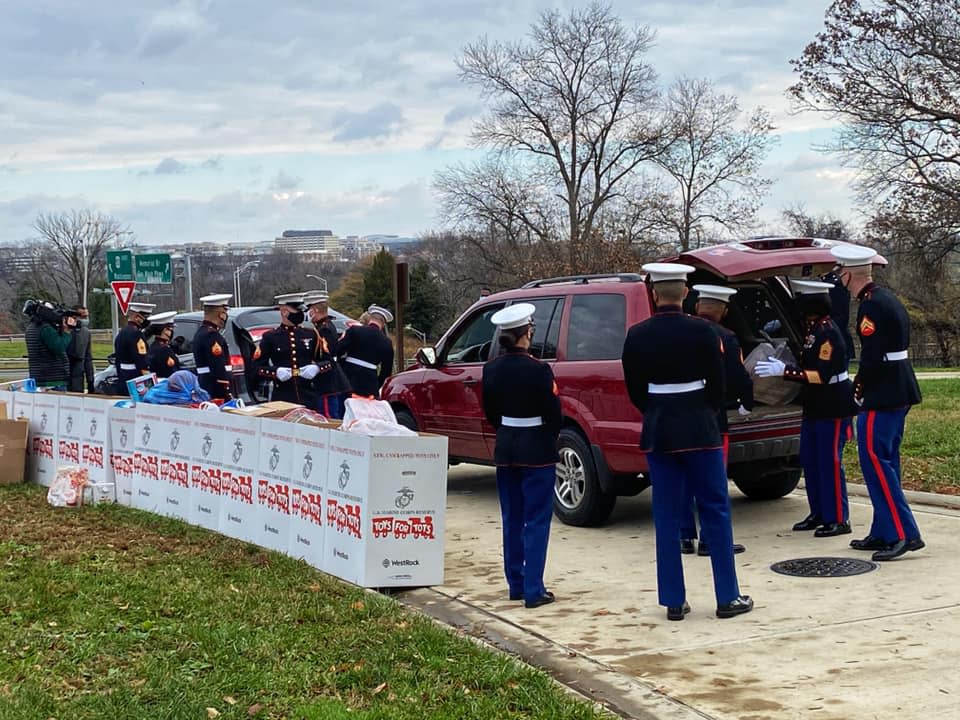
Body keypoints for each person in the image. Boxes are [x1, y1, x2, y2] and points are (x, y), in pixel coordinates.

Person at [621, 263, 752, 621]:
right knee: (715, 508)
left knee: (665, 514)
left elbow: (635, 389)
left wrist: (657, 409)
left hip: (660, 428)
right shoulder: (704, 332)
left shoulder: (637, 335)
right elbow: (717, 385)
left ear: (653, 293)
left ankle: (673, 601)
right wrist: (702, 413)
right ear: (685, 293)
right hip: (699, 427)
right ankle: (727, 596)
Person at [830, 244, 924, 561]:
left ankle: (903, 532)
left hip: (883, 392)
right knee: (886, 462)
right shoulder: (885, 299)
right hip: (898, 387)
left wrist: (858, 388)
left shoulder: (871, 307)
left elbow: (872, 357)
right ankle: (884, 529)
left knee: (876, 463)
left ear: (847, 274)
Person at [755, 280, 856, 537]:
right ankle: (819, 512)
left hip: (832, 403)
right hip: (815, 404)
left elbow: (821, 375)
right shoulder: (813, 331)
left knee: (829, 463)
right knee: (811, 460)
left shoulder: (829, 333)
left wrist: (786, 371)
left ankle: (838, 518)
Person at [481, 302, 560, 609]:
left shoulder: (491, 368)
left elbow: (491, 412)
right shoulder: (539, 370)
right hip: (536, 448)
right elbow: (553, 412)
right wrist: (547, 437)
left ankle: (515, 582)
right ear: (526, 334)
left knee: (512, 518)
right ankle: (534, 589)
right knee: (537, 520)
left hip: (507, 446)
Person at [679, 285, 752, 557]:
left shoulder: (681, 332)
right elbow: (738, 376)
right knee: (713, 481)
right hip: (712, 419)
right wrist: (747, 401)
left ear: (698, 307)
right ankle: (711, 539)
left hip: (680, 417)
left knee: (684, 478)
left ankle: (685, 536)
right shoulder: (727, 337)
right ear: (723, 311)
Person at [253, 293, 321, 407]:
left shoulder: (311, 334)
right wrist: (276, 372)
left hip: (309, 394)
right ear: (284, 311)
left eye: (301, 310)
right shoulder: (271, 337)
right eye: (296, 309)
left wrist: (317, 368)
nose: (300, 313)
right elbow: (255, 369)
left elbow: (328, 362)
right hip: (283, 396)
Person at [304, 291, 350, 418]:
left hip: (328, 382)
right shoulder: (325, 326)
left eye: (309, 309)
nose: (307, 313)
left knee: (328, 418)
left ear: (316, 310)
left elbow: (327, 356)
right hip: (331, 380)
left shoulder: (324, 329)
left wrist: (316, 366)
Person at [336, 304, 395, 399]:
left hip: (348, 377)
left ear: (370, 318)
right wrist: (376, 385)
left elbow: (338, 350)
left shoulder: (355, 330)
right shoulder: (387, 342)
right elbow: (386, 372)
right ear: (383, 323)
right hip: (370, 383)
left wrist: (341, 367)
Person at [192, 294, 233, 401]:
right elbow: (218, 367)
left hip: (205, 384)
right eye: (225, 312)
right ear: (221, 314)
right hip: (215, 389)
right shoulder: (212, 335)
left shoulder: (202, 332)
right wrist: (226, 392)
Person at [25, 301, 73, 390]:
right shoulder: (46, 329)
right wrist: (67, 332)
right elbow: (59, 347)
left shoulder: (31, 328)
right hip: (52, 378)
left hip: (38, 376)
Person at [115, 302, 156, 387]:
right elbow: (141, 360)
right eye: (146, 317)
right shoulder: (136, 334)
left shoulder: (122, 332)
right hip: (135, 377)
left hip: (123, 376)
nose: (147, 320)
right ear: (137, 317)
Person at [66, 305, 95, 393]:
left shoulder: (86, 332)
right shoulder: (64, 331)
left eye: (87, 316)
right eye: (83, 317)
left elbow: (88, 357)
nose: (86, 319)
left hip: (79, 378)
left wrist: (90, 380)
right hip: (65, 377)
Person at [145, 311, 181, 379]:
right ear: (164, 331)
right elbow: (172, 370)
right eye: (170, 329)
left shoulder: (154, 346)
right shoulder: (164, 349)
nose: (171, 332)